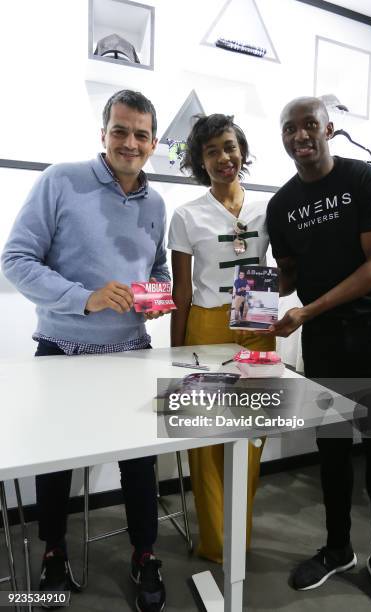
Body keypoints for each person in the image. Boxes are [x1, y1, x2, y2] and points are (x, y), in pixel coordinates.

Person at [1, 89, 168, 612]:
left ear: (153, 142)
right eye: (120, 130)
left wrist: (157, 296)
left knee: (139, 464)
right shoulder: (59, 181)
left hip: (130, 352)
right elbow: (16, 260)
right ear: (103, 134)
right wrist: (85, 299)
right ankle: (52, 549)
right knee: (55, 466)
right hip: (62, 351)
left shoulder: (156, 202)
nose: (130, 142)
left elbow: (156, 268)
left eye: (141, 134)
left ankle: (145, 554)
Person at [267, 96, 371, 612]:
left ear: (329, 128)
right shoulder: (282, 206)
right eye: (290, 128)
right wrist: (242, 281)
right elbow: (288, 276)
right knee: (330, 452)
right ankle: (338, 549)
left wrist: (308, 311)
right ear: (282, 138)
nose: (300, 135)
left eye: (309, 125)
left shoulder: (364, 181)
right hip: (322, 345)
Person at [168, 113, 275, 563]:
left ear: (242, 151)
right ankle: (215, 543)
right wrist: (174, 354)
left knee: (253, 435)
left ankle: (239, 537)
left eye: (229, 146)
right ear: (200, 161)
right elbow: (182, 290)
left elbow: (282, 268)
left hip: (257, 319)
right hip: (207, 324)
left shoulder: (266, 208)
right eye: (211, 151)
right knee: (208, 437)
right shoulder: (186, 215)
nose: (223, 157)